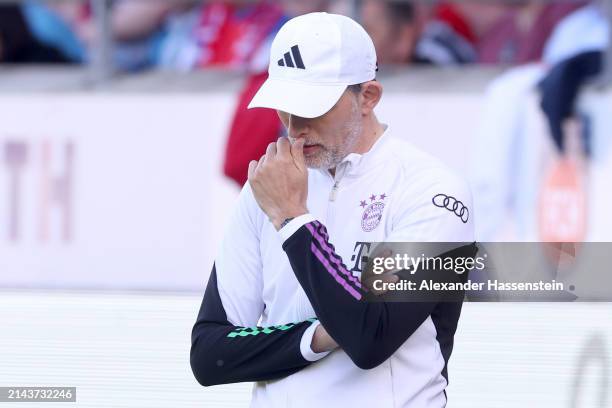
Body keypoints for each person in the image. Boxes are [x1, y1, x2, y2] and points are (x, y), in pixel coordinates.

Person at [190, 12, 474, 407]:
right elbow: (209, 354)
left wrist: (293, 220)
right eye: (284, 106)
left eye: (313, 107)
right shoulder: (266, 189)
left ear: (368, 97)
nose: (295, 126)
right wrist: (321, 334)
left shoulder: (433, 192)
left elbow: (369, 338)